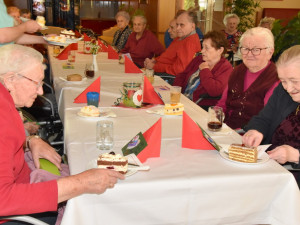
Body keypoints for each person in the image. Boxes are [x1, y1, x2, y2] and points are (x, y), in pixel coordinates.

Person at [0, 44, 124, 224]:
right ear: (10, 79)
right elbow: (4, 200)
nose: (41, 91)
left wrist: (29, 142)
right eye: (36, 83)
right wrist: (81, 183)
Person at [243, 45, 300, 185]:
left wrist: (295, 155)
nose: (288, 88)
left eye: (294, 81)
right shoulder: (282, 91)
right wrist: (255, 131)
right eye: (283, 81)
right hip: (269, 167)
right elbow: (264, 118)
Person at [216, 27, 280, 130]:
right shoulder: (237, 71)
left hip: (253, 135)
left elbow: (268, 119)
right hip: (226, 129)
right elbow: (222, 104)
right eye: (245, 48)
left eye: (256, 50)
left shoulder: (275, 78)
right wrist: (214, 120)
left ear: (270, 52)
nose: (249, 54)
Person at [173, 30, 232, 110]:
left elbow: (214, 91)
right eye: (202, 47)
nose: (202, 51)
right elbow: (182, 75)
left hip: (199, 107)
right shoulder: (199, 59)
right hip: (183, 100)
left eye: (206, 48)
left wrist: (204, 70)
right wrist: (176, 92)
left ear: (220, 50)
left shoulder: (226, 68)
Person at [144, 10, 201, 84]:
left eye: (182, 25)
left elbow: (180, 70)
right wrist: (154, 60)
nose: (178, 28)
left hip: (175, 79)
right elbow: (168, 58)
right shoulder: (182, 37)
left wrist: (155, 67)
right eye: (177, 25)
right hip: (162, 71)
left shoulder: (190, 42)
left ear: (192, 26)